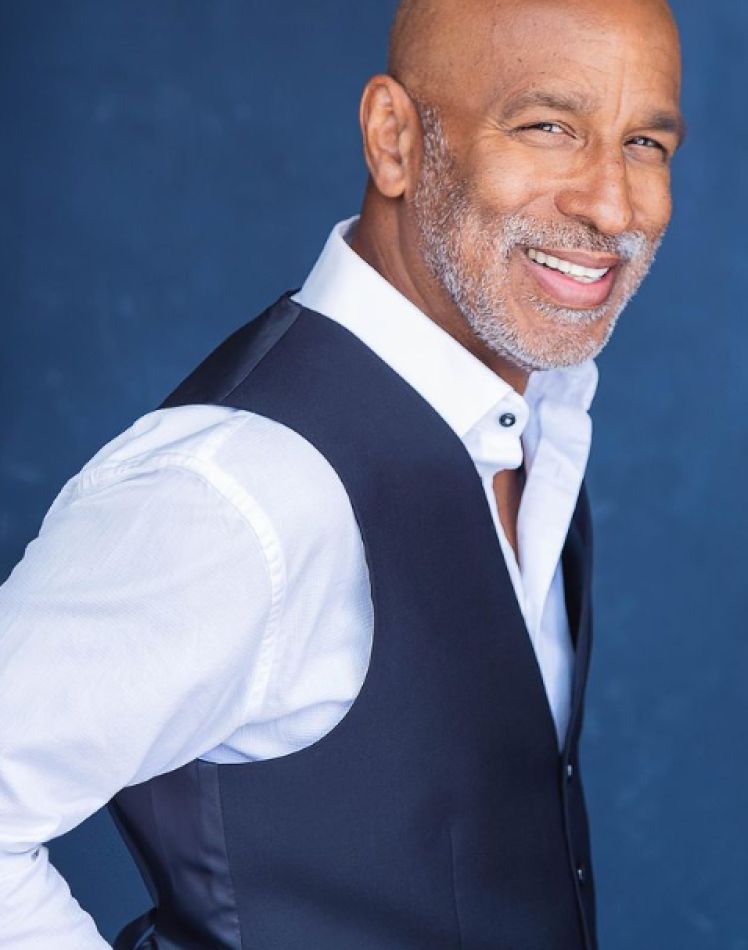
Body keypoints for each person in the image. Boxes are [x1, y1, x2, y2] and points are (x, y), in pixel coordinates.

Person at [0, 0, 684, 947]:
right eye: (546, 127)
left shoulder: (539, 419)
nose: (612, 205)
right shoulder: (241, 490)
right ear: (394, 138)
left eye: (646, 142)